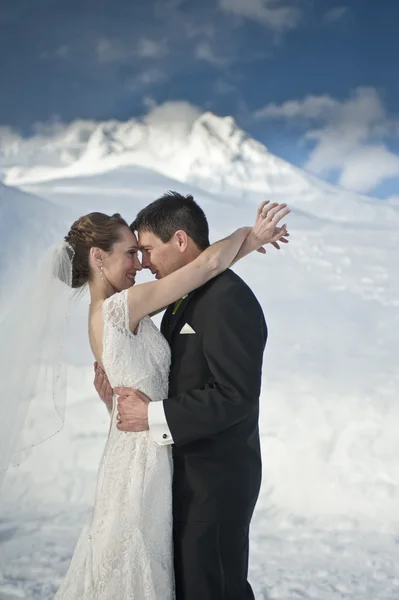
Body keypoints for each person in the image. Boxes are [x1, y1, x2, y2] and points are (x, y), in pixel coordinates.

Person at [94, 192, 290, 600]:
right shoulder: (178, 300)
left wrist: (151, 415)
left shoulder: (226, 299)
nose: (144, 262)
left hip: (213, 481)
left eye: (147, 250)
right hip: (175, 476)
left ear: (180, 241)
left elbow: (235, 396)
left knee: (214, 589)